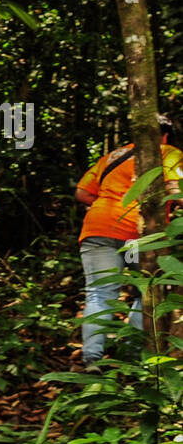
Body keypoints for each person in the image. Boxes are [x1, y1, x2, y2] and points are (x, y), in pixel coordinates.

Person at [73, 114, 181, 367]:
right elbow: (176, 190)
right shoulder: (168, 152)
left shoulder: (113, 155)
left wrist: (111, 206)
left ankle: (92, 360)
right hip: (137, 235)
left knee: (98, 294)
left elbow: (82, 192)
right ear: (165, 135)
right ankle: (132, 355)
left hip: (98, 229)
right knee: (144, 290)